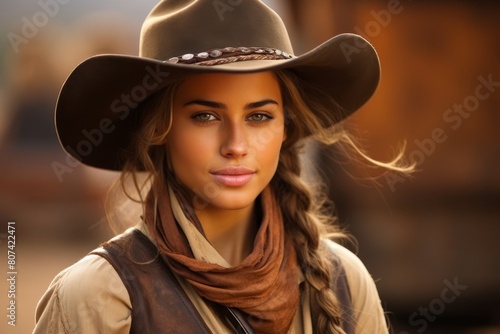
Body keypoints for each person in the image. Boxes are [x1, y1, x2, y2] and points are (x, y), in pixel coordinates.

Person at [33, 0, 409, 333]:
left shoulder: (345, 282)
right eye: (206, 116)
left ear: (286, 128)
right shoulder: (100, 298)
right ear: (159, 130)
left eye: (259, 116)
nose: (236, 146)